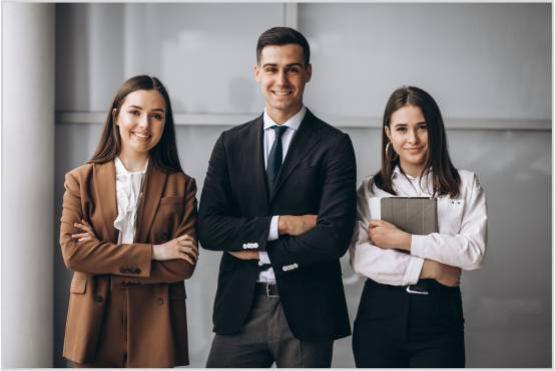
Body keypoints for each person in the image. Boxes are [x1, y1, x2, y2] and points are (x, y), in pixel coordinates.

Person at [197, 27, 357, 368]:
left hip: (308, 310)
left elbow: (334, 237)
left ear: (308, 73)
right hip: (241, 307)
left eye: (292, 68)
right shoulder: (230, 144)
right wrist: (283, 225)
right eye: (271, 68)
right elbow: (209, 229)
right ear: (257, 73)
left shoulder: (334, 145)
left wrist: (257, 247)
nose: (281, 79)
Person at [59, 75, 198, 367]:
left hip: (155, 325)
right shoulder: (80, 181)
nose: (145, 125)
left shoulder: (181, 186)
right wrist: (155, 252)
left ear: (165, 123)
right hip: (93, 320)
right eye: (135, 112)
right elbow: (74, 254)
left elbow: (183, 264)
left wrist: (102, 254)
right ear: (116, 116)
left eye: (156, 116)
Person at [350, 86, 487, 367]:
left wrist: (403, 240)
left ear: (435, 130)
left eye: (422, 127)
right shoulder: (370, 189)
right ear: (388, 133)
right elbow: (361, 258)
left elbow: (472, 252)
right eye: (402, 129)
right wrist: (432, 268)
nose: (412, 139)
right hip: (379, 315)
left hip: (439, 317)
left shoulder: (466, 184)